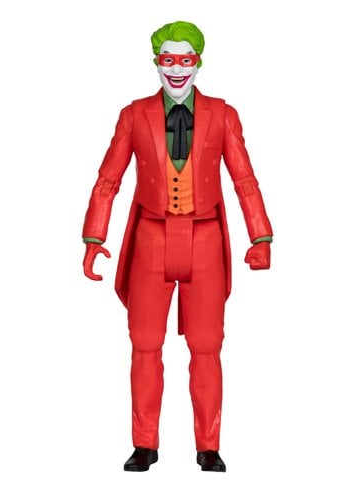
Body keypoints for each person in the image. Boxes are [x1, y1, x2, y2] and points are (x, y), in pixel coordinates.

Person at [82, 20, 273, 472]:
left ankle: (209, 446)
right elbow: (108, 179)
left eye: (185, 59)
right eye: (168, 59)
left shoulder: (223, 115)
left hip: (205, 240)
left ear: (199, 62)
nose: (177, 69)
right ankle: (144, 443)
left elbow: (244, 179)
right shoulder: (134, 115)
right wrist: (94, 237)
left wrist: (261, 236)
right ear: (156, 62)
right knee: (145, 344)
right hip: (151, 239)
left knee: (207, 347)